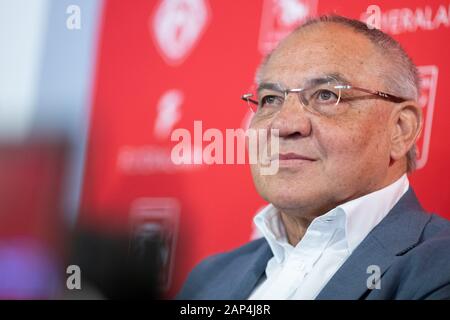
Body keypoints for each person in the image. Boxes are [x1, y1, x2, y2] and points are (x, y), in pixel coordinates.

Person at [177, 15, 450, 300]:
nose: (284, 124)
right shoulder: (209, 279)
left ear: (400, 129)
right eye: (271, 99)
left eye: (326, 96)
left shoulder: (440, 269)